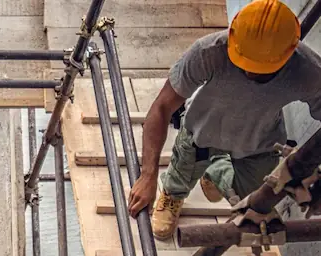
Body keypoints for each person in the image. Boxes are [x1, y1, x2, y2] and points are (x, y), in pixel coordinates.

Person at [126, 0, 321, 239]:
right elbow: (162, 107)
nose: (250, 72)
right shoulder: (209, 52)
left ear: (291, 52)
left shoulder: (307, 71)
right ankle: (173, 194)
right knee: (182, 173)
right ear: (233, 37)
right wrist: (148, 176)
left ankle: (215, 172)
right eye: (245, 62)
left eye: (263, 68)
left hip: (259, 143)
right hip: (202, 132)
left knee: (254, 200)